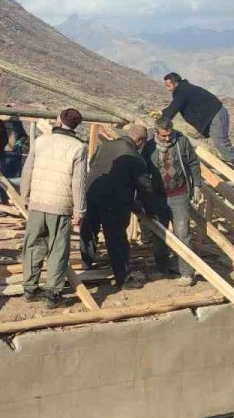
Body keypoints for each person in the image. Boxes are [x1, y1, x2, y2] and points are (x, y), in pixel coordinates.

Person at [19, 108, 87, 309]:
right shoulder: (78, 147)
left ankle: (30, 288)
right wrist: (80, 210)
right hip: (61, 205)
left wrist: (25, 196)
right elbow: (79, 182)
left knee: (32, 245)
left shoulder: (41, 141)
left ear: (58, 120)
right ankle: (52, 293)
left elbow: (27, 170)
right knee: (58, 249)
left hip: (38, 201)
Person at [80, 124, 153, 289]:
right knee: (116, 239)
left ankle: (86, 264)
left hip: (91, 192)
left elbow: (92, 164)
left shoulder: (105, 145)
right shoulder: (135, 157)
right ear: (140, 141)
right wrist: (149, 209)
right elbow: (145, 187)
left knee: (89, 230)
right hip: (115, 200)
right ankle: (123, 279)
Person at [142, 117, 202, 286]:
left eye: (169, 135)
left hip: (179, 194)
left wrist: (197, 185)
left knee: (183, 234)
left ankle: (187, 273)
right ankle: (162, 269)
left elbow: (193, 163)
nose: (167, 139)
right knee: (159, 234)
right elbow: (143, 171)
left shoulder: (182, 141)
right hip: (158, 196)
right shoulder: (149, 147)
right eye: (163, 136)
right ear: (156, 132)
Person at [158, 72, 234, 179]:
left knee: (222, 145)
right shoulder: (184, 89)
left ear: (175, 83)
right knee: (210, 139)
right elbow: (175, 106)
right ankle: (205, 133)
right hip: (211, 116)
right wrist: (161, 113)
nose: (167, 88)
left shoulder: (182, 92)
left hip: (215, 116)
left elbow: (174, 108)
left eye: (168, 85)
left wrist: (162, 118)